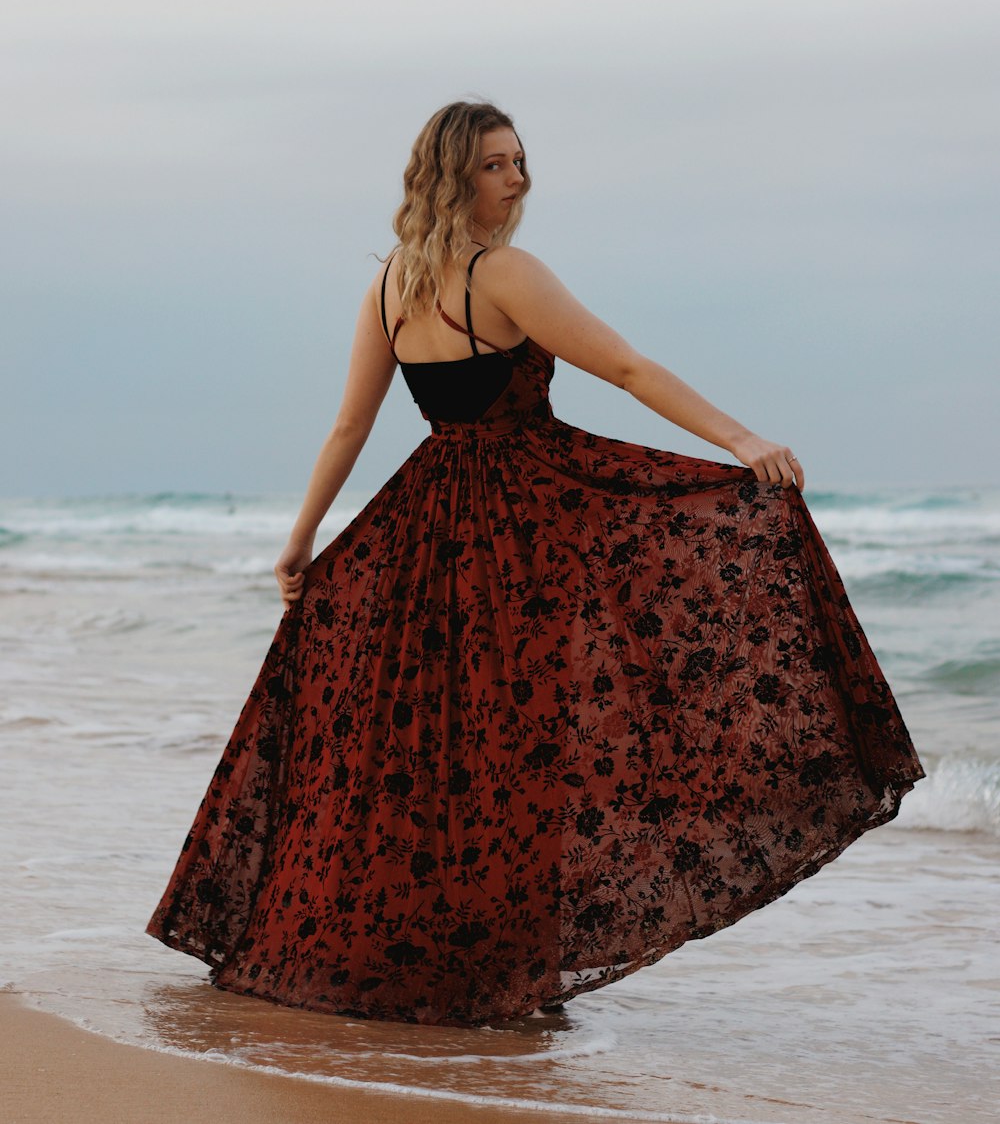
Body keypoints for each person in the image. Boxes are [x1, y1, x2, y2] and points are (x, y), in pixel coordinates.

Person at [146, 99, 925, 1028]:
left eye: (520, 160)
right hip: (517, 527)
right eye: (494, 164)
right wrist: (740, 436)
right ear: (452, 176)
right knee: (514, 742)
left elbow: (351, 426)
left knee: (437, 748)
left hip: (423, 526)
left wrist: (304, 534)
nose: (517, 178)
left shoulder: (391, 283)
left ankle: (448, 956)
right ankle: (497, 970)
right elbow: (628, 369)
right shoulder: (502, 273)